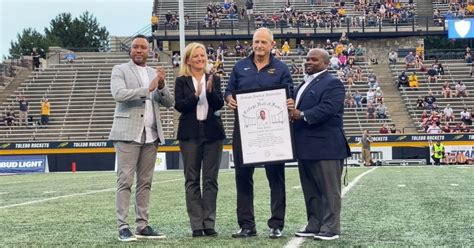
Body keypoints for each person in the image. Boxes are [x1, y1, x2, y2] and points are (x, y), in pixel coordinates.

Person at [224, 27, 294, 239]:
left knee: (276, 178)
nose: (259, 46)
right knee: (243, 177)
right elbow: (228, 91)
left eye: (264, 42)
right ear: (251, 43)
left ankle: (276, 224)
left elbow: (289, 94)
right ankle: (247, 225)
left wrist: (290, 101)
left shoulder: (281, 68)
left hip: (273, 132)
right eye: (256, 42)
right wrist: (229, 99)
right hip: (245, 133)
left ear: (272, 45)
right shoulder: (240, 66)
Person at [109, 35, 174, 242]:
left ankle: (143, 225)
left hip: (151, 135)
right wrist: (148, 89)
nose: (138, 50)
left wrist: (161, 85)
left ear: (149, 50)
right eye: (135, 47)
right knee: (125, 180)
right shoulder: (120, 70)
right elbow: (118, 94)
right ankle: (123, 226)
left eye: (142, 47)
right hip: (128, 133)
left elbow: (169, 102)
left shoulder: (154, 72)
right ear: (131, 50)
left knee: (145, 183)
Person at [290, 48, 351, 241]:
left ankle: (331, 228)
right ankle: (314, 224)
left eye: (314, 60)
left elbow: (329, 108)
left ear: (325, 63)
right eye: (307, 59)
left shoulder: (333, 83)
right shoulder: (303, 83)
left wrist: (302, 114)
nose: (308, 62)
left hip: (327, 147)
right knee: (311, 190)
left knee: (329, 190)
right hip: (305, 146)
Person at [174, 42, 226, 238]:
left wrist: (211, 91)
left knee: (211, 180)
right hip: (189, 134)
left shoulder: (214, 78)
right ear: (188, 59)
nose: (200, 59)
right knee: (192, 180)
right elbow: (180, 106)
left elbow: (219, 104)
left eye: (202, 55)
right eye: (196, 56)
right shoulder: (182, 80)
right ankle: (196, 225)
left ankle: (209, 223)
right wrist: (196, 95)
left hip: (212, 133)